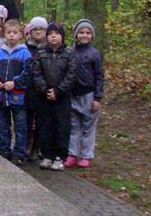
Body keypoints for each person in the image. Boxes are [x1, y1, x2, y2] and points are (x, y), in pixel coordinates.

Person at [33, 22, 76, 171]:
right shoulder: (41, 53)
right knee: (46, 126)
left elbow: (71, 75)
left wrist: (58, 91)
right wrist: (45, 90)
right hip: (44, 96)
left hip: (62, 96)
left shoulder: (69, 53)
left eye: (56, 34)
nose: (53, 37)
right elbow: (36, 73)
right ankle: (47, 155)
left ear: (62, 37)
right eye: (50, 34)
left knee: (61, 127)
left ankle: (60, 156)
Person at [0, 19, 35, 163]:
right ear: (4, 34)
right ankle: (5, 151)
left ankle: (19, 154)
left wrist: (15, 83)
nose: (11, 36)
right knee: (3, 125)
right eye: (8, 32)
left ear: (20, 34)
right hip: (1, 96)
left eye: (14, 33)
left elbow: (28, 73)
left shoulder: (25, 54)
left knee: (20, 127)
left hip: (18, 96)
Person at [66, 19, 104, 168]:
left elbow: (100, 77)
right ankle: (72, 154)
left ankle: (87, 155)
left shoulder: (95, 54)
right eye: (81, 32)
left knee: (88, 127)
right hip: (73, 94)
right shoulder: (70, 52)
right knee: (74, 126)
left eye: (88, 33)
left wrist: (97, 98)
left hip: (89, 94)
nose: (84, 35)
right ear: (76, 34)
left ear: (92, 36)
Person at [24, 16, 48, 162]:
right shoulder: (26, 49)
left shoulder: (49, 49)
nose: (38, 31)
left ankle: (36, 148)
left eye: (41, 29)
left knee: (41, 121)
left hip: (43, 90)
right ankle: (26, 144)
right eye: (35, 29)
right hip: (28, 89)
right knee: (26, 120)